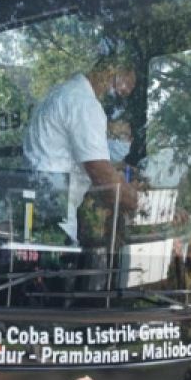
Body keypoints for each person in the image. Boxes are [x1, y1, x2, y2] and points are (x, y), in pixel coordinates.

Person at [23, 48, 139, 245]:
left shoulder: (60, 93)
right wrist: (141, 203)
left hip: (37, 207)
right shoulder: (84, 103)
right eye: (125, 85)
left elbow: (71, 158)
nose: (124, 93)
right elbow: (102, 177)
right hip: (55, 213)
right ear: (111, 70)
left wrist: (121, 171)